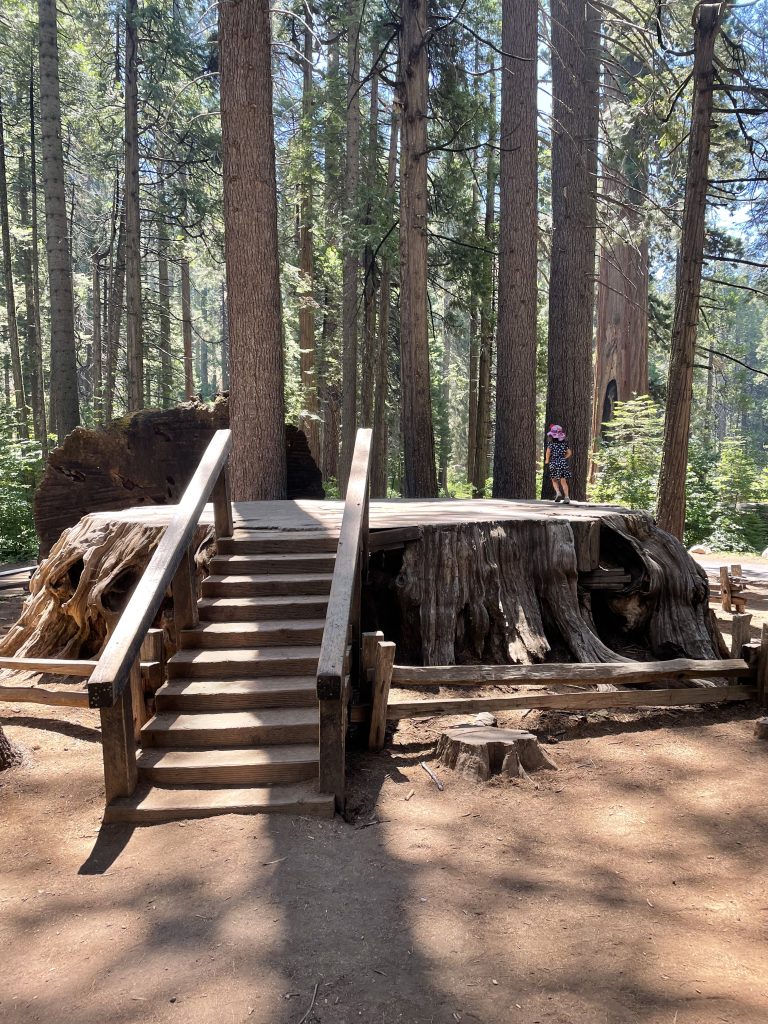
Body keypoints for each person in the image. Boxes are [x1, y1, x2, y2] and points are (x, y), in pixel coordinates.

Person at [544, 424, 572, 503]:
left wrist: (547, 460)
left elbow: (548, 452)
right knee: (563, 481)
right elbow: (569, 453)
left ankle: (558, 493)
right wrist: (564, 457)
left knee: (554, 480)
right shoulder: (564, 444)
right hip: (562, 463)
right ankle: (566, 497)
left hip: (554, 462)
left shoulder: (551, 444)